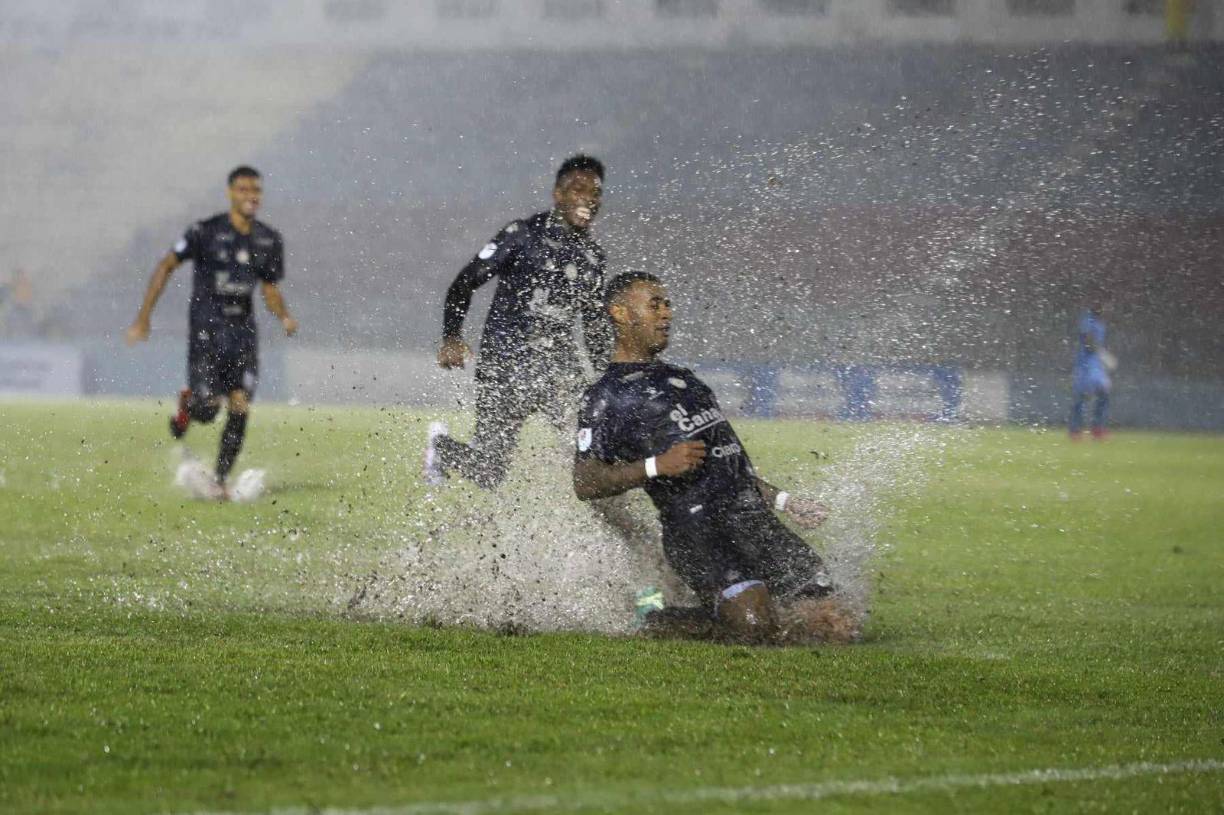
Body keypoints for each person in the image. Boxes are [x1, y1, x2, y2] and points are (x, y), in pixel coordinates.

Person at [571, 272, 859, 645]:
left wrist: (785, 501)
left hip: (754, 521)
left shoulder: (687, 381)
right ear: (621, 313)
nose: (666, 314)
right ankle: (652, 620)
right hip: (700, 533)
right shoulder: (606, 396)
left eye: (667, 304)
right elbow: (586, 481)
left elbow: (729, 466)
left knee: (838, 627)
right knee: (755, 628)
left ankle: (723, 608)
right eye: (654, 305)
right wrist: (656, 466)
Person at [423, 155, 609, 489]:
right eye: (578, 189)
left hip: (559, 371)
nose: (588, 199)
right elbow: (464, 283)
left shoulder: (594, 258)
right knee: (488, 473)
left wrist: (609, 377)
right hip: (506, 364)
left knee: (594, 453)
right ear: (558, 194)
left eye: (595, 192)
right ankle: (441, 447)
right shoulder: (522, 234)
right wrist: (452, 337)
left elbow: (594, 326)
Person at [126, 166, 298, 499]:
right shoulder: (204, 231)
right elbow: (166, 265)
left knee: (240, 404)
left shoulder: (268, 239)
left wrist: (284, 316)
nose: (251, 196)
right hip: (207, 331)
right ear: (230, 192)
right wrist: (144, 317)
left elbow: (269, 288)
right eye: (244, 189)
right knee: (207, 410)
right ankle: (189, 404)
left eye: (256, 190)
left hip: (243, 335)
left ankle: (219, 481)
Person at [1069, 305, 1114, 440]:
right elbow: (1088, 341)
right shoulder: (1088, 320)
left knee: (1103, 393)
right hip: (1086, 365)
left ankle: (1097, 428)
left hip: (1096, 365)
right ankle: (1076, 430)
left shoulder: (1100, 323)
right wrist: (1102, 354)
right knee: (1082, 396)